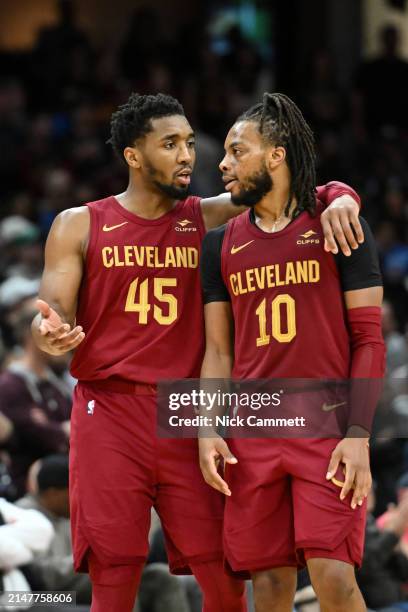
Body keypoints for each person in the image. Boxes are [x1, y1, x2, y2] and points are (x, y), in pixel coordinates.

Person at [31, 92, 362, 612]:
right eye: (170, 144)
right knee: (114, 572)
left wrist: (344, 194)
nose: (188, 155)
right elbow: (51, 311)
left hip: (191, 410)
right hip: (110, 407)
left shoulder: (210, 220)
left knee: (224, 574)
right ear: (133, 156)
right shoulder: (79, 222)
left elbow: (291, 188)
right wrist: (47, 332)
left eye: (189, 142)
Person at [199, 92, 385, 611]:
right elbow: (218, 351)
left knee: (334, 579)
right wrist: (208, 427)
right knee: (272, 587)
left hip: (325, 427)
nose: (223, 163)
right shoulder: (219, 245)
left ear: (276, 155)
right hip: (252, 428)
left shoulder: (337, 224)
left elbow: (369, 340)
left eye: (238, 151)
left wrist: (359, 435)